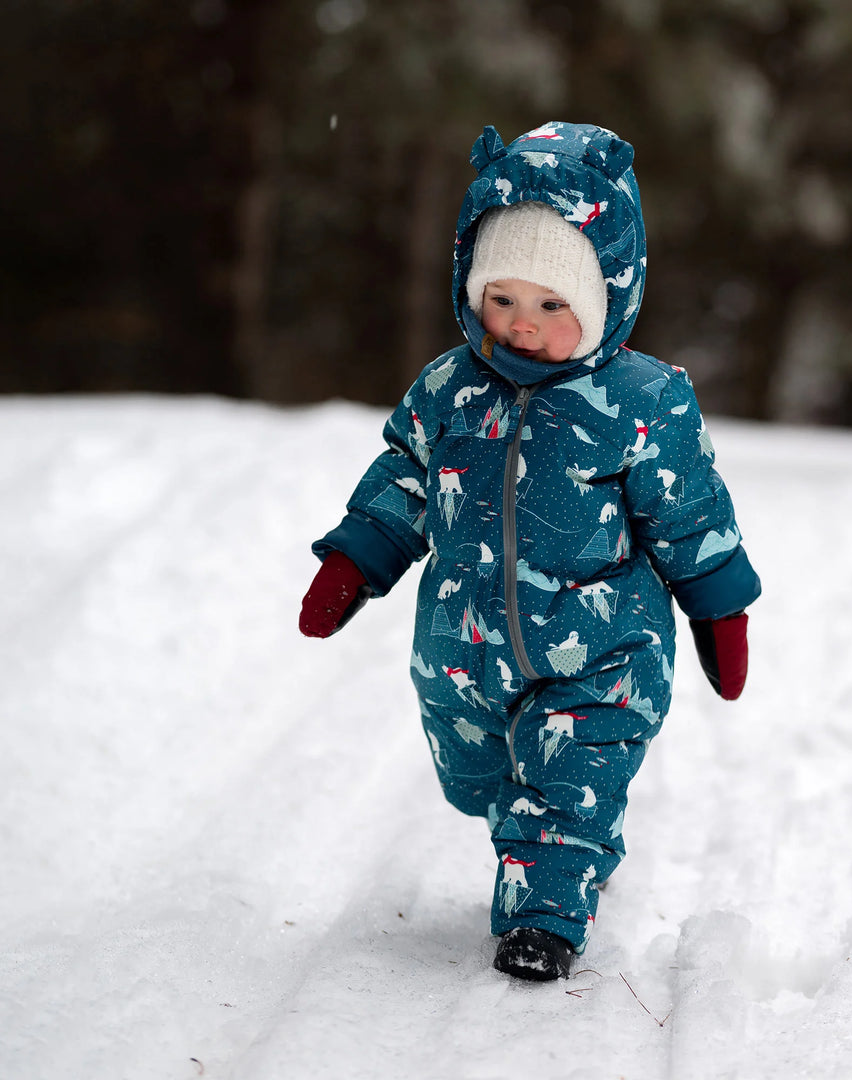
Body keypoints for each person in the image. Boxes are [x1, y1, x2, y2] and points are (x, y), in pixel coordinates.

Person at [299, 121, 761, 981]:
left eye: (554, 306)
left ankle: (545, 912)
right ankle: (552, 839)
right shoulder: (446, 388)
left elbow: (690, 512)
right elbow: (405, 477)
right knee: (479, 777)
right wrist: (355, 560)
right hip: (462, 648)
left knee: (566, 775)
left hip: (604, 648)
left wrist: (718, 608)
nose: (521, 325)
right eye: (501, 298)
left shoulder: (641, 401)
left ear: (605, 297)